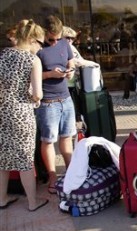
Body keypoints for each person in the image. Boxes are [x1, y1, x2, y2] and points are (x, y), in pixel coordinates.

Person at [0, 19, 49, 211]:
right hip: (21, 113)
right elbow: (37, 93)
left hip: (2, 112)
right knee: (25, 159)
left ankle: (2, 199)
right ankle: (32, 202)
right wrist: (34, 98)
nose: (40, 48)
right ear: (31, 39)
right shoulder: (32, 60)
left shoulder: (3, 56)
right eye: (40, 43)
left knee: (2, 159)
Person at [36, 15, 76, 194]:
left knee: (67, 137)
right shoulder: (37, 49)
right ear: (43, 34)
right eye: (51, 39)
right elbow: (32, 76)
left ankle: (72, 173)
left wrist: (70, 73)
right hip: (48, 102)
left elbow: (71, 61)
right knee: (48, 140)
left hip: (66, 98)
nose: (54, 42)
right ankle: (52, 177)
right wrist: (50, 74)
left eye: (58, 39)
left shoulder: (64, 44)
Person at [62, 26, 99, 125]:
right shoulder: (63, 48)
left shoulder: (70, 47)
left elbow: (79, 60)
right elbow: (77, 61)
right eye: (67, 37)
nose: (70, 40)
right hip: (64, 83)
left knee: (74, 109)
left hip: (72, 83)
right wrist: (93, 63)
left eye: (72, 38)